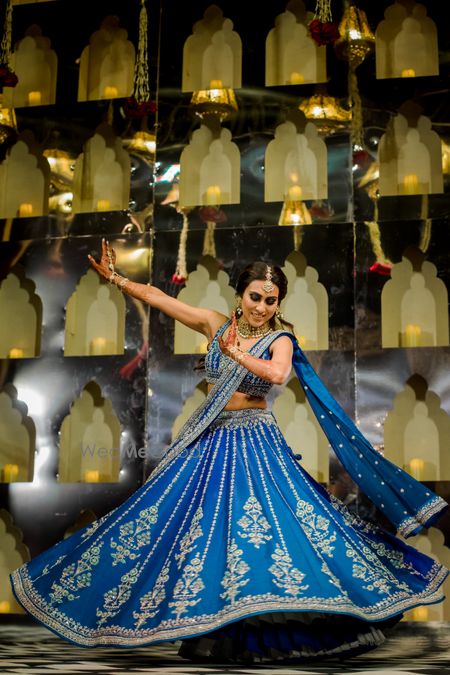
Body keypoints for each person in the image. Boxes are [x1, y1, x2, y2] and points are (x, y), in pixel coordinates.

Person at [10, 240, 449, 664]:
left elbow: (277, 375)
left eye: (271, 300)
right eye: (255, 296)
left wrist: (236, 352)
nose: (262, 306)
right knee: (196, 530)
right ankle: (222, 628)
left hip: (256, 441)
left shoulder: (280, 339)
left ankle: (283, 625)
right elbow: (161, 299)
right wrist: (119, 281)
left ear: (279, 304)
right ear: (239, 296)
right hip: (212, 439)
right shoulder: (216, 324)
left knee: (261, 530)